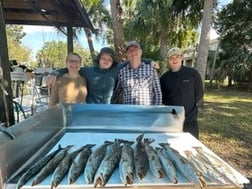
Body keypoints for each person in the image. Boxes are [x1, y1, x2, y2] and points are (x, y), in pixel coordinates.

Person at [47, 47, 155, 104]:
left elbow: (132, 60)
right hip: (91, 109)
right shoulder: (88, 71)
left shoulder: (116, 69)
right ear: (99, 59)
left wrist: (149, 61)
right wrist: (55, 73)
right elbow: (72, 67)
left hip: (109, 109)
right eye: (103, 58)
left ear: (113, 62)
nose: (106, 61)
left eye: (109, 59)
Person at [160, 47, 203, 139]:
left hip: (190, 120)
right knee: (173, 146)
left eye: (177, 56)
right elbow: (162, 98)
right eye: (171, 58)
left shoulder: (193, 74)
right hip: (172, 120)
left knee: (192, 147)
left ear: (182, 58)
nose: (174, 60)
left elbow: (199, 93)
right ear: (168, 60)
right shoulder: (164, 78)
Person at [112, 41, 162, 105]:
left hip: (147, 112)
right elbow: (117, 93)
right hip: (128, 112)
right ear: (127, 54)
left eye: (135, 49)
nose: (133, 52)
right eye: (129, 51)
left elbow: (157, 93)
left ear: (141, 52)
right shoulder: (122, 72)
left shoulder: (151, 70)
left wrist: (154, 112)